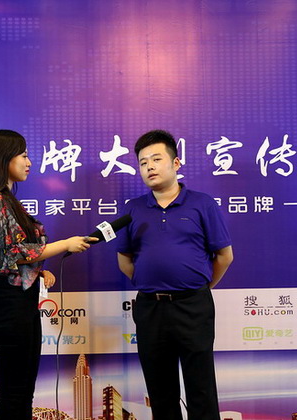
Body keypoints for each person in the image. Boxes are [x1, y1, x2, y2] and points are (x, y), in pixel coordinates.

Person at [0, 129, 97, 420]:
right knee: (14, 391)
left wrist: (38, 274)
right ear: (5, 158)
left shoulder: (7, 201)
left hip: (22, 301)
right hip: (10, 304)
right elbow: (15, 251)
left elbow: (11, 257)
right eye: (23, 155)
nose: (29, 162)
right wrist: (65, 244)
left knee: (24, 390)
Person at [116, 129, 234, 420]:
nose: (150, 167)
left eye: (157, 159)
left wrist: (199, 286)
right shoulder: (133, 209)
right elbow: (125, 260)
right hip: (150, 308)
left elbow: (224, 256)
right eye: (143, 162)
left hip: (193, 305)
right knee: (160, 390)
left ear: (176, 163)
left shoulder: (202, 204)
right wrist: (150, 282)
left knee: (201, 387)